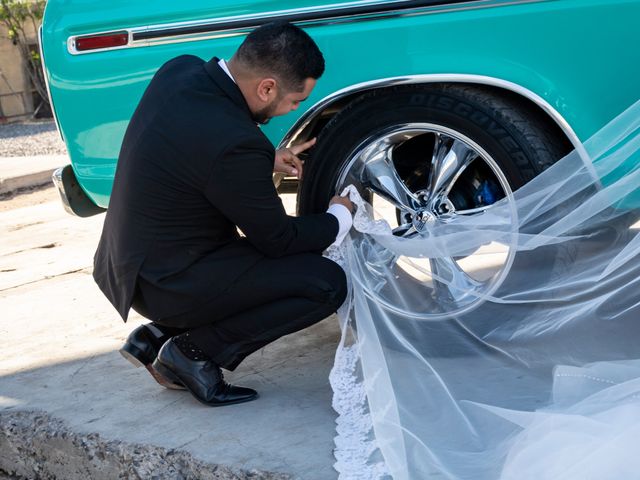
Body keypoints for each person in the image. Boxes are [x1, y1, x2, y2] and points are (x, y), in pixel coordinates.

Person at [92, 21, 353, 407]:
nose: (292, 109)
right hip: (170, 281)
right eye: (293, 101)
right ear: (267, 87)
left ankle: (159, 334)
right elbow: (278, 239)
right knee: (325, 282)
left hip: (130, 263)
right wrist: (338, 217)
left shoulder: (180, 70)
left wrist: (265, 156)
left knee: (285, 263)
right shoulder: (236, 145)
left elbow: (199, 145)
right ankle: (193, 352)